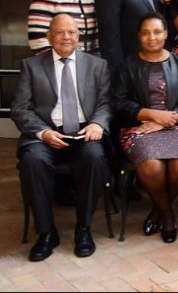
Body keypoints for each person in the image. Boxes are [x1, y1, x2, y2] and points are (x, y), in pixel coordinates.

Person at [11, 14, 112, 261]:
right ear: (49, 36)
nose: (66, 37)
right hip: (46, 133)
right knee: (33, 161)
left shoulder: (97, 65)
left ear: (79, 36)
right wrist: (43, 132)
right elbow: (20, 108)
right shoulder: (31, 66)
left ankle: (83, 229)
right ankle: (46, 233)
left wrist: (98, 122)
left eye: (72, 32)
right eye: (59, 32)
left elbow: (106, 102)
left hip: (82, 132)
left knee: (94, 156)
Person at [113, 13, 178, 244]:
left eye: (157, 32)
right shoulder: (128, 64)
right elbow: (119, 101)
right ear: (139, 36)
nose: (151, 37)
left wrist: (170, 118)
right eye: (145, 32)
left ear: (165, 34)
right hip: (140, 127)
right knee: (151, 167)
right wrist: (151, 114)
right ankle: (168, 214)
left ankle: (157, 210)